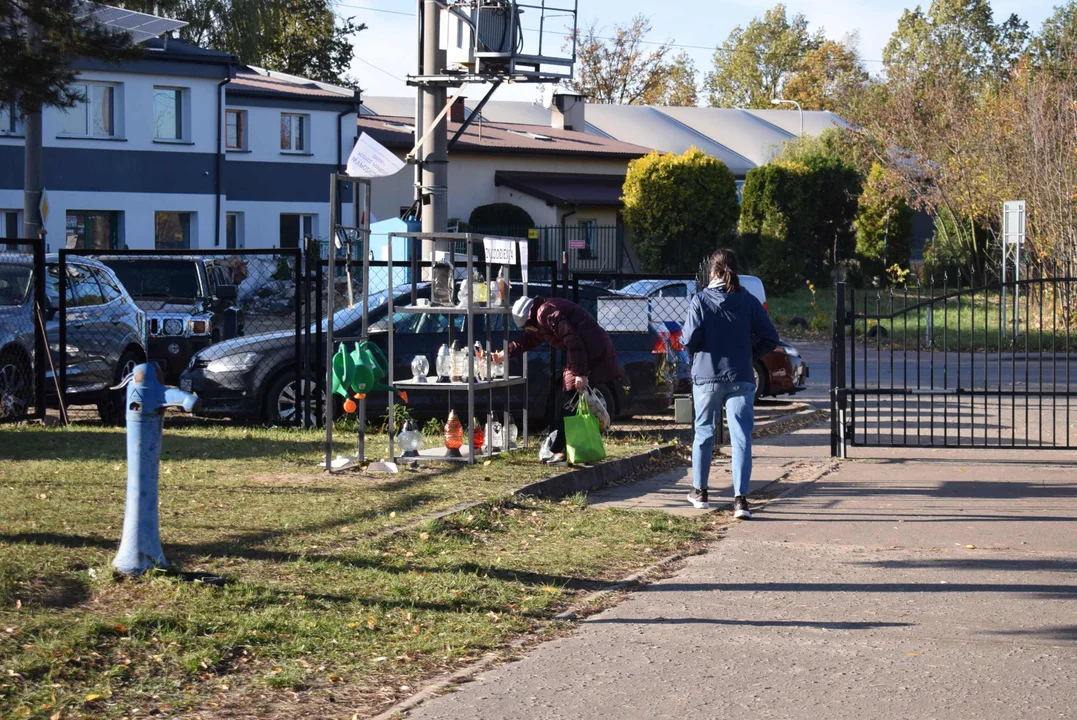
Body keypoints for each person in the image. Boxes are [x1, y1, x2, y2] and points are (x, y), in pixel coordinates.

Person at [682, 248, 780, 517]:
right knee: (741, 438)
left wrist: (698, 354)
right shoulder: (748, 301)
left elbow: (689, 339)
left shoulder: (700, 301)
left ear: (712, 271)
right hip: (741, 377)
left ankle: (700, 492)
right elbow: (771, 337)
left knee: (703, 433)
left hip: (706, 377)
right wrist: (749, 354)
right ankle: (741, 500)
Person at [492, 295, 621, 464]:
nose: (527, 330)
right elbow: (528, 342)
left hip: (591, 353)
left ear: (529, 319)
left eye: (526, 327)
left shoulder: (546, 314)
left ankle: (556, 450)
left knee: (569, 401)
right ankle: (562, 449)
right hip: (587, 353)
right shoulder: (542, 316)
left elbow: (573, 340)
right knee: (567, 399)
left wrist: (580, 374)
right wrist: (503, 354)